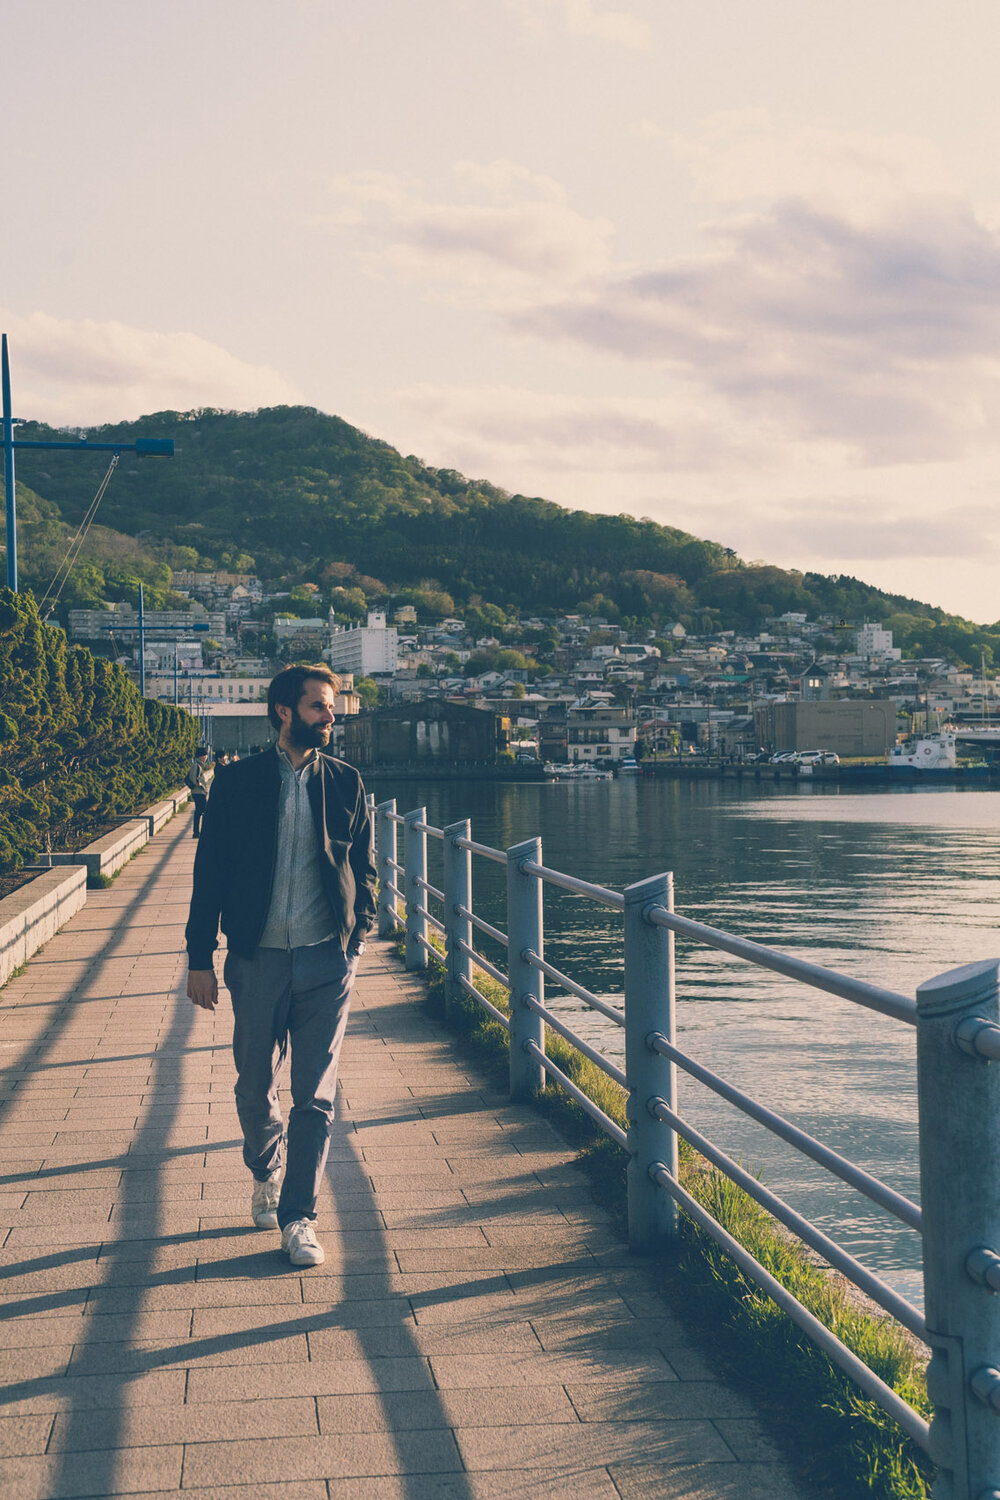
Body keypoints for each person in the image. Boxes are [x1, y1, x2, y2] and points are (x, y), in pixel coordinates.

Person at [184, 664, 377, 1267]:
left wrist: (357, 938)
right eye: (320, 706)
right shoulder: (237, 785)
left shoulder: (347, 782)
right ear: (284, 712)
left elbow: (365, 869)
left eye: (332, 706)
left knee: (315, 1096)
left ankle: (300, 1216)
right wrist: (200, 959)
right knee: (253, 1084)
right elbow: (208, 874)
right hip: (256, 959)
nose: (332, 716)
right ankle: (266, 1169)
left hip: (326, 962)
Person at [186, 747, 214, 839]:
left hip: (198, 792)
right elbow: (194, 779)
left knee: (199, 812)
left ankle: (197, 832)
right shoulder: (197, 766)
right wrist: (202, 786)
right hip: (199, 792)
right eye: (206, 755)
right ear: (201, 756)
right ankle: (200, 832)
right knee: (205, 812)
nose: (206, 757)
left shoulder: (198, 765)